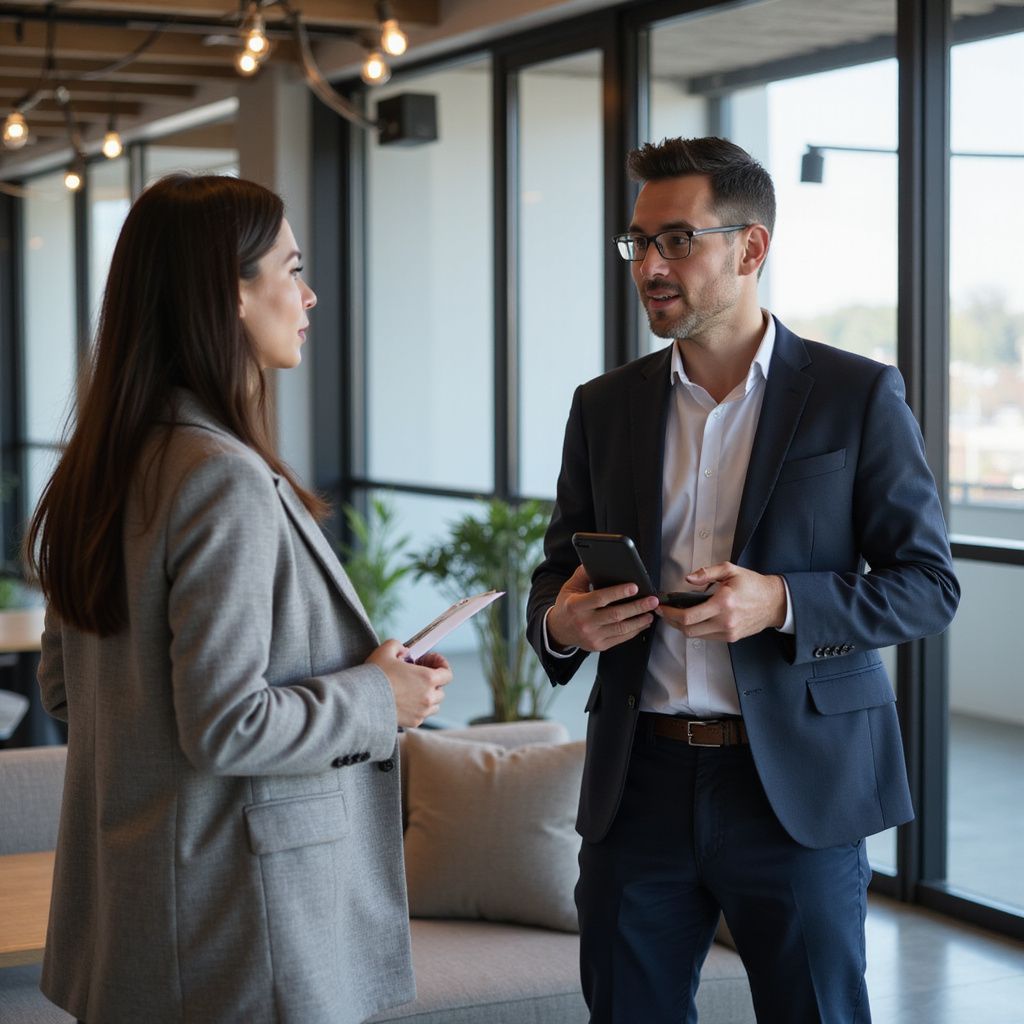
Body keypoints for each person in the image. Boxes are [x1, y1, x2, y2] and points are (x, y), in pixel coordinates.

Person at [526, 137, 959, 1024]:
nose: (650, 265)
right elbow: (554, 577)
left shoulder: (856, 395)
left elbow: (927, 584)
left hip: (794, 790)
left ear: (750, 248)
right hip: (636, 784)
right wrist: (564, 626)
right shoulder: (602, 406)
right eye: (638, 243)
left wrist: (784, 601)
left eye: (677, 240)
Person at [25, 174, 452, 1024]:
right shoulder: (220, 478)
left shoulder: (108, 465)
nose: (309, 294)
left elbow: (66, 689)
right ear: (229, 293)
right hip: (240, 930)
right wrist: (381, 698)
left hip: (140, 915)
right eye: (290, 270)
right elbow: (227, 724)